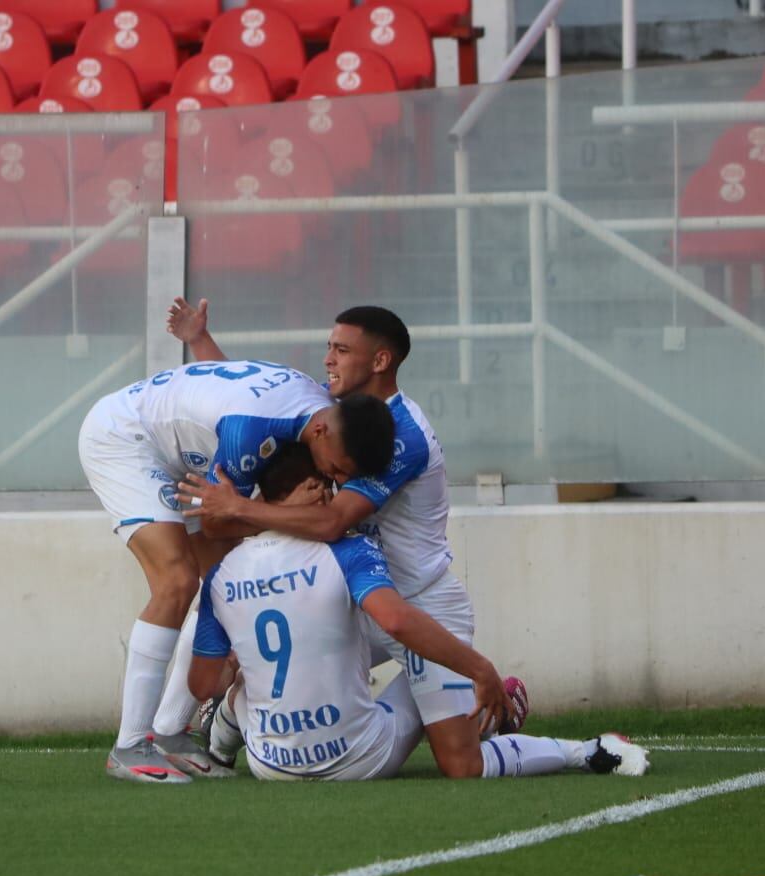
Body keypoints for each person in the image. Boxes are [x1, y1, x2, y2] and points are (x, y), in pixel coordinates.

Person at [165, 299, 632, 781]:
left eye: (342, 350)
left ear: (381, 360)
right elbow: (252, 404)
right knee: (249, 630)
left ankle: (576, 747)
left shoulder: (399, 434)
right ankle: (212, 732)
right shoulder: (333, 417)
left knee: (461, 765)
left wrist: (237, 508)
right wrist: (199, 341)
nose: (329, 359)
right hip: (351, 599)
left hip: (418, 603)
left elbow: (330, 523)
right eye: (330, 347)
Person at [188, 442, 649, 782]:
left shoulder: (222, 573)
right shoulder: (347, 550)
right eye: (325, 486)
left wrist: (241, 664)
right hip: (360, 760)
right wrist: (479, 669)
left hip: (271, 767)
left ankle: (221, 745)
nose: (333, 498)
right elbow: (396, 621)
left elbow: (203, 684)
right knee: (440, 680)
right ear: (314, 489)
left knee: (251, 674)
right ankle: (584, 750)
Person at [78, 357, 401, 783]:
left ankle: (171, 732)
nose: (333, 478)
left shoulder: (320, 414)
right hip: (126, 437)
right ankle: (130, 745)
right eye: (336, 467)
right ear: (321, 431)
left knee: (223, 585)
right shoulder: (248, 433)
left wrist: (251, 510)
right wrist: (285, 514)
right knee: (176, 580)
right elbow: (216, 522)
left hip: (179, 448)